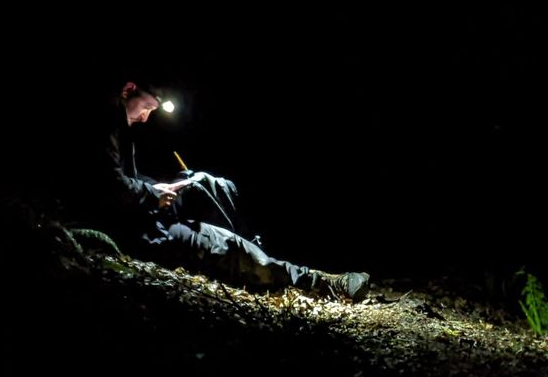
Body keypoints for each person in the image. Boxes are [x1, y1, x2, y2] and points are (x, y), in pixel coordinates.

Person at [74, 78, 371, 303]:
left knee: (205, 182)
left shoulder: (120, 128)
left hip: (141, 211)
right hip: (139, 231)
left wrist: (158, 186)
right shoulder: (102, 126)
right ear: (128, 90)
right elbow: (108, 189)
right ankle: (320, 281)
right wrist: (154, 193)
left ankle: (263, 254)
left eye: (152, 110)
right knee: (224, 243)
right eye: (147, 107)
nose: (146, 117)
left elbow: (125, 179)